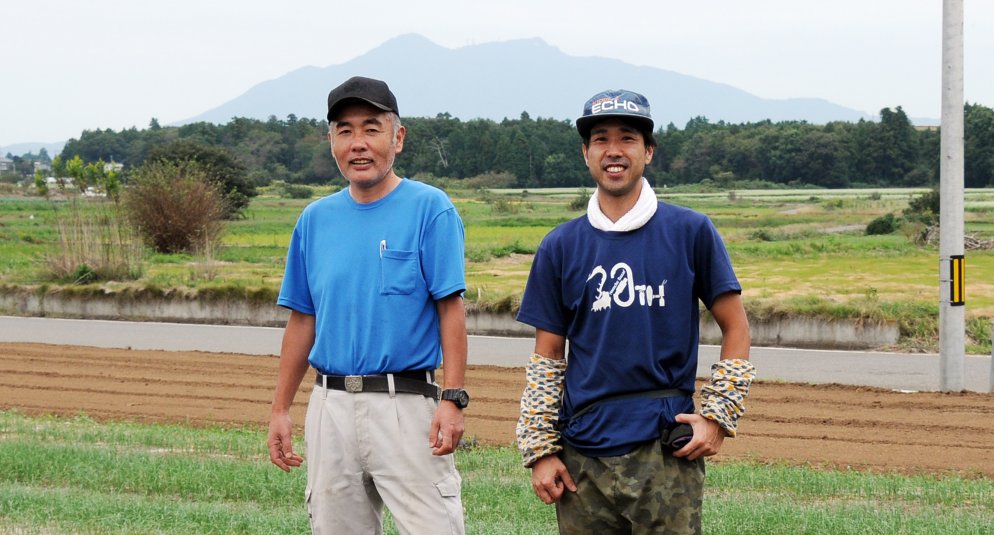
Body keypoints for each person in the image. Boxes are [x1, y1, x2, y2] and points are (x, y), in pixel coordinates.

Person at [515, 89, 755, 534]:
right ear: (586, 153)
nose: (613, 151)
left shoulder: (690, 232)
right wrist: (541, 449)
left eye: (627, 138)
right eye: (600, 139)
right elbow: (547, 359)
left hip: (665, 453)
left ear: (648, 151)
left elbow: (736, 327)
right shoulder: (561, 246)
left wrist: (719, 417)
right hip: (582, 456)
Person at [267, 76, 470, 535]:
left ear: (397, 138)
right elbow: (303, 320)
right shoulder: (315, 220)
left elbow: (450, 310)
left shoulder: (430, 209)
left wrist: (453, 398)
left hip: (407, 405)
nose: (358, 144)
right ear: (332, 141)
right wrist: (281, 409)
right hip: (329, 405)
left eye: (371, 129)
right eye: (345, 130)